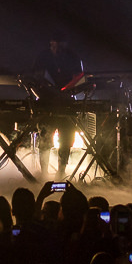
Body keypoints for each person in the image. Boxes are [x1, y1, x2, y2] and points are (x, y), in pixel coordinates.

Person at [30, 33, 84, 179]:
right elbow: (34, 80)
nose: (57, 49)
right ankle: (44, 172)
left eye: (60, 46)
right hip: (47, 101)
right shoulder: (43, 57)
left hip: (67, 101)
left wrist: (68, 92)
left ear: (65, 45)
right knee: (45, 136)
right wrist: (41, 95)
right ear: (51, 43)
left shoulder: (73, 57)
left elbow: (80, 79)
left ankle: (61, 171)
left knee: (66, 137)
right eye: (54, 46)